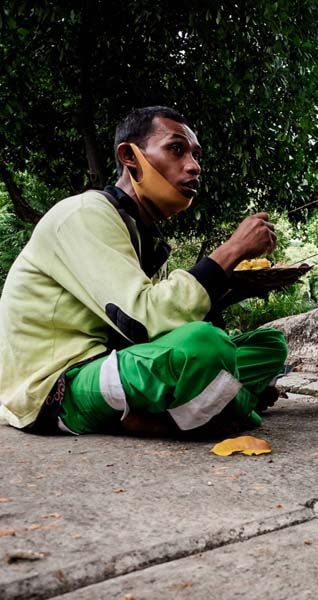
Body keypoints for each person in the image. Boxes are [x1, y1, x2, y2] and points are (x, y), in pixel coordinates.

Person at [0, 106, 288, 436]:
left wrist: (228, 288)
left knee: (269, 345)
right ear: (130, 157)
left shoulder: (141, 233)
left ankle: (210, 403)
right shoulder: (84, 213)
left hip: (117, 360)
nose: (194, 166)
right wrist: (231, 250)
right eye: (176, 149)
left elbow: (162, 329)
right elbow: (142, 320)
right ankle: (216, 411)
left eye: (195, 155)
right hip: (59, 385)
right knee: (207, 344)